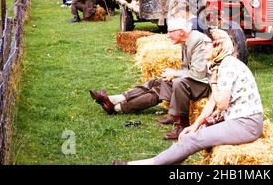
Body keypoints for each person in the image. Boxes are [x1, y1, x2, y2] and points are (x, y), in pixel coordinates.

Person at [113, 29, 264, 165]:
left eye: (207, 44)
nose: (203, 47)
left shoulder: (227, 66)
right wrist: (195, 125)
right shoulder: (222, 64)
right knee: (193, 135)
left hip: (246, 124)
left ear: (218, 47)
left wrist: (213, 81)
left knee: (194, 139)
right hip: (241, 121)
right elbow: (212, 102)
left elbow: (222, 104)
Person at [90, 16, 211, 140]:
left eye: (170, 32)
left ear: (181, 31)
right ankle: (116, 102)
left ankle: (181, 126)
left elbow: (199, 73)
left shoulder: (198, 41)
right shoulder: (186, 41)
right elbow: (188, 68)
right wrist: (172, 74)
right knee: (159, 82)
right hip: (194, 81)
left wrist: (175, 73)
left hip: (204, 84)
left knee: (178, 83)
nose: (168, 35)